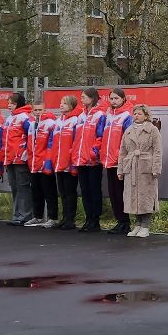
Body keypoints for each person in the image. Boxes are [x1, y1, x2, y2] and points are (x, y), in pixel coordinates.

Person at [118, 105, 163, 239]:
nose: (136, 116)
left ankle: (145, 225)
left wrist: (156, 168)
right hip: (131, 168)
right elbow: (122, 152)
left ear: (146, 115)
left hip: (146, 167)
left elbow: (158, 150)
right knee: (133, 197)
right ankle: (137, 224)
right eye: (135, 113)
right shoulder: (128, 130)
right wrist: (120, 170)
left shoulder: (152, 130)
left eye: (139, 113)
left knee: (146, 197)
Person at [100, 90, 133, 235]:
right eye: (111, 98)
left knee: (120, 193)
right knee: (113, 193)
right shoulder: (108, 115)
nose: (113, 101)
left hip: (119, 160)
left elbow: (128, 139)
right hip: (108, 160)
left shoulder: (127, 116)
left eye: (116, 98)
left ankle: (125, 222)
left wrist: (122, 156)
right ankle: (119, 220)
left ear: (123, 99)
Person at [74, 87, 106, 232]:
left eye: (84, 97)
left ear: (92, 98)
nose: (82, 99)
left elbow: (100, 136)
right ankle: (88, 219)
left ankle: (95, 220)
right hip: (81, 159)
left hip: (93, 161)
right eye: (81, 97)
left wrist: (95, 152)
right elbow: (76, 138)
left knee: (94, 190)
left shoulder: (100, 115)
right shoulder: (81, 116)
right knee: (85, 191)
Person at [3, 92, 36, 227]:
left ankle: (25, 215)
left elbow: (32, 136)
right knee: (15, 187)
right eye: (9, 102)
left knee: (23, 187)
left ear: (19, 104)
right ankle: (17, 214)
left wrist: (27, 153)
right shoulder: (9, 118)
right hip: (10, 158)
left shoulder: (25, 118)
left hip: (21, 158)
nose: (9, 105)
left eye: (12, 103)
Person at [52, 95, 81, 229]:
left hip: (69, 162)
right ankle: (64, 218)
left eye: (65, 103)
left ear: (72, 105)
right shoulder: (59, 121)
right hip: (59, 162)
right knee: (62, 192)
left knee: (70, 192)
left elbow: (76, 141)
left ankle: (70, 219)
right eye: (61, 102)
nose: (61, 105)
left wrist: (73, 161)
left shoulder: (75, 120)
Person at [30, 104, 60, 229]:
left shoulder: (50, 123)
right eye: (35, 110)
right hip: (34, 163)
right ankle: (37, 216)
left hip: (46, 162)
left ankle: (53, 217)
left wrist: (47, 161)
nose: (38, 112)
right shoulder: (32, 124)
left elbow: (51, 144)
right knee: (36, 191)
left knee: (49, 190)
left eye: (40, 110)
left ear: (45, 110)